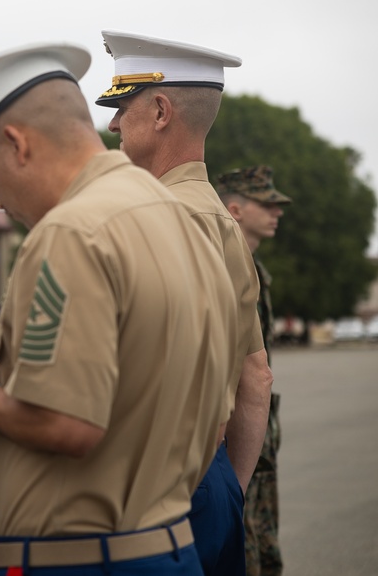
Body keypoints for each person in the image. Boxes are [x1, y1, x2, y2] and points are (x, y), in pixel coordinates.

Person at [0, 43, 238, 575]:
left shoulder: (69, 232)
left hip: (87, 560)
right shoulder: (187, 221)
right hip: (169, 543)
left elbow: (67, 426)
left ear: (15, 144)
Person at [96, 30, 274, 575]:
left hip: (159, 489)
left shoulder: (157, 217)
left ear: (160, 111)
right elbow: (255, 377)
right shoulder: (220, 217)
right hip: (210, 483)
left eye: (122, 106)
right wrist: (227, 492)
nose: (112, 124)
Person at [217, 165, 292, 576]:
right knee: (243, 548)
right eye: (266, 203)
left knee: (263, 548)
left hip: (257, 441)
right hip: (237, 441)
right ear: (235, 210)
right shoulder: (226, 265)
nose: (277, 211)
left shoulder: (254, 268)